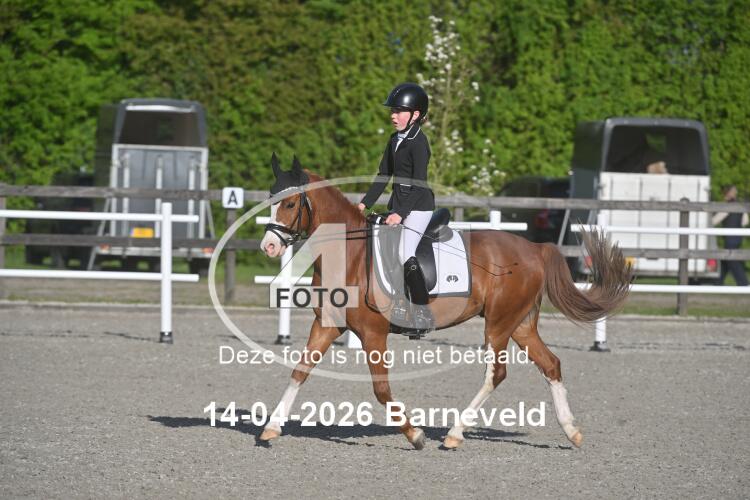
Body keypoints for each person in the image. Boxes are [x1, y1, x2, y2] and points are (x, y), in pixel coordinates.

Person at [357, 82, 436, 333]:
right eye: (393, 111)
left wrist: (400, 214)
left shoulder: (419, 143)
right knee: (382, 250)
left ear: (415, 114)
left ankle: (422, 314)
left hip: (419, 206)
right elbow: (384, 175)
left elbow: (419, 184)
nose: (393, 115)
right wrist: (364, 204)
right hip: (399, 205)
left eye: (399, 111)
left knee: (404, 253)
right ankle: (398, 306)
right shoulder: (394, 140)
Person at [712, 184, 748, 286]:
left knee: (733, 261)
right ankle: (718, 282)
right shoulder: (740, 206)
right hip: (738, 238)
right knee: (725, 261)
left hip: (730, 239)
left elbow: (714, 221)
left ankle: (743, 283)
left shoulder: (727, 206)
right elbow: (745, 222)